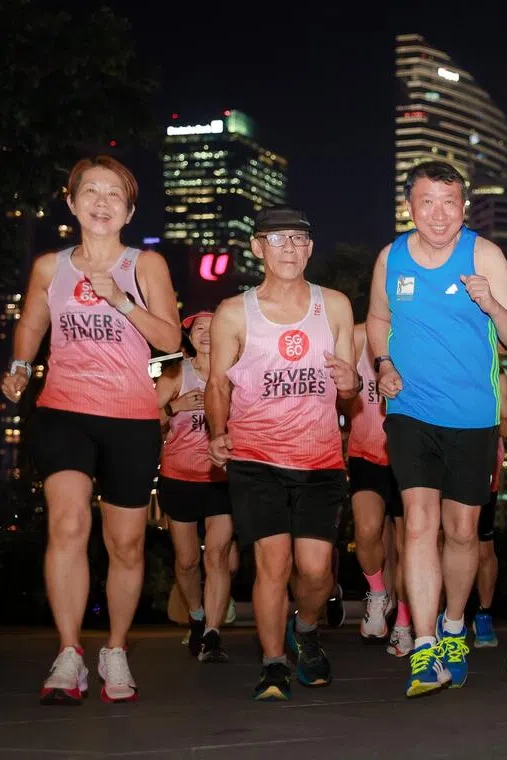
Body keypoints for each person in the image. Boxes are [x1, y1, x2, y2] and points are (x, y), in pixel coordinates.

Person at [1, 156, 181, 705]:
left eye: (114, 195)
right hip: (63, 411)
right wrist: (19, 366)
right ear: (72, 200)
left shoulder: (144, 264)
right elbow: (33, 322)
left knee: (125, 543)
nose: (101, 203)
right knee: (68, 522)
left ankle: (116, 650)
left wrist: (121, 301)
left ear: (128, 210)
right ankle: (70, 652)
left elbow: (172, 342)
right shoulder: (49, 267)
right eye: (91, 192)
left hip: (130, 417)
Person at [367, 160, 507, 697]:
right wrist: (384, 365)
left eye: (450, 202)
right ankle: (423, 644)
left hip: (474, 416)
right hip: (410, 410)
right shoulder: (390, 258)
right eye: (427, 202)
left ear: (464, 207)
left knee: (462, 532)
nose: (439, 214)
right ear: (410, 206)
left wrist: (488, 300)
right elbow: (378, 321)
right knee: (417, 522)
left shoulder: (483, 254)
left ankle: (454, 623)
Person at [205, 205, 359, 701]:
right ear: (257, 248)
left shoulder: (333, 305)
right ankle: (273, 665)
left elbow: (350, 388)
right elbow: (215, 382)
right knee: (272, 564)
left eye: (298, 238)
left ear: (310, 248)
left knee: (315, 571)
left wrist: (351, 383)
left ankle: (307, 630)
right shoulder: (234, 311)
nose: (289, 247)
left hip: (319, 459)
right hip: (256, 458)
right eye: (277, 239)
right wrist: (215, 431)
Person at [155, 311, 233, 662]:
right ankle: (198, 616)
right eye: (199, 329)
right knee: (187, 562)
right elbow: (144, 415)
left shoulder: (234, 374)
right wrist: (174, 406)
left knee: (217, 556)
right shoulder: (175, 374)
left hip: (222, 479)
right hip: (179, 478)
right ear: (188, 337)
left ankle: (213, 636)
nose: (205, 334)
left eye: (212, 328)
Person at [345, 322, 404, 645]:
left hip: (410, 453)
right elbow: (341, 394)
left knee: (410, 547)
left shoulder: (416, 329)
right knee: (367, 532)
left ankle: (406, 621)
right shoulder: (356, 336)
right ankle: (378, 594)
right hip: (365, 451)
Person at [474, 371, 507, 648]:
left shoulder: (496, 376)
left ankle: (483, 615)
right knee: (440, 541)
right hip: (444, 463)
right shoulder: (443, 360)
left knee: (483, 547)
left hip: (484, 467)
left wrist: (477, 413)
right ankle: (438, 619)